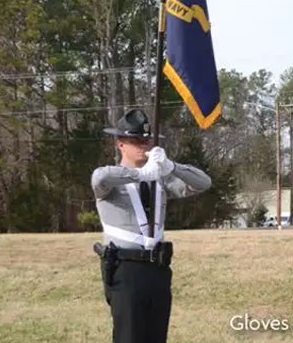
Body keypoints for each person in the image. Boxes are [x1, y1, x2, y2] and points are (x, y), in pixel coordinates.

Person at [91, 108, 212, 343]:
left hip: (158, 268)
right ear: (120, 144)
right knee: (129, 337)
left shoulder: (160, 179)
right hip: (126, 267)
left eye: (146, 140)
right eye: (135, 140)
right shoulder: (112, 182)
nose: (143, 145)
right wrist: (140, 174)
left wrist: (171, 167)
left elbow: (204, 183)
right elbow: (100, 177)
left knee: (156, 336)